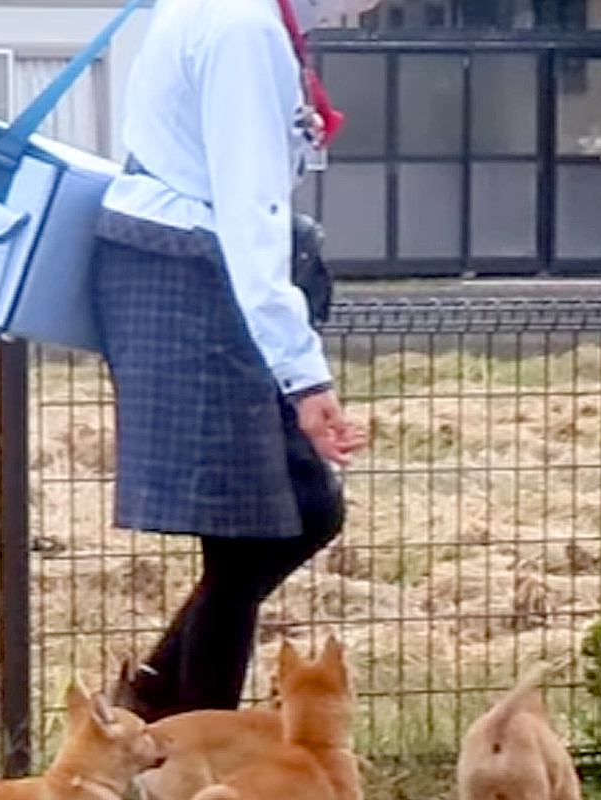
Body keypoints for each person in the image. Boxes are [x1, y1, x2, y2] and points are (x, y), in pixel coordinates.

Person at [92, 0, 380, 722]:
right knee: (250, 532)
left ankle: (156, 711)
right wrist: (303, 377)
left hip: (178, 266)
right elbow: (253, 213)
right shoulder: (244, 28)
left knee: (291, 515)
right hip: (195, 272)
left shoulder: (237, 16)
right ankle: (185, 733)